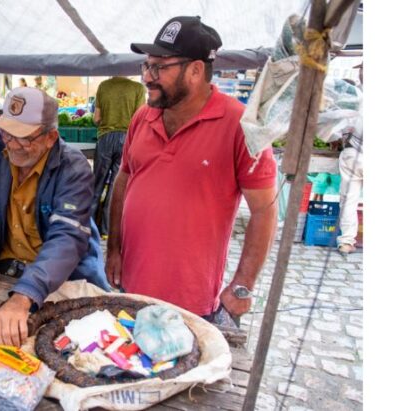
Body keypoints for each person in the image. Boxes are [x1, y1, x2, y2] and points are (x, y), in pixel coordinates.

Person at [106, 16, 278, 324]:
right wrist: (114, 249)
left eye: (160, 67)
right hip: (130, 288)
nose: (148, 77)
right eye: (147, 66)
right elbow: (124, 178)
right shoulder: (142, 117)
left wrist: (242, 285)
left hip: (191, 301)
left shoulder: (241, 125)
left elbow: (265, 210)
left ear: (196, 70)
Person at [0, 87, 110, 347]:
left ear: (51, 137)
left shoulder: (74, 168)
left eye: (24, 137)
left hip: (62, 280)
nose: (12, 145)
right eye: (6, 133)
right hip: (9, 270)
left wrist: (24, 295)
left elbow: (67, 237)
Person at [90, 76, 146, 236]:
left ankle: (89, 226)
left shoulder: (104, 85)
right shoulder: (138, 88)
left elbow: (97, 118)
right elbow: (140, 119)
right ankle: (107, 230)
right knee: (116, 187)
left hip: (105, 138)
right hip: (127, 140)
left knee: (97, 183)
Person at [337, 62, 363, 255]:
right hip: (354, 155)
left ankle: (346, 241)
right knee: (349, 199)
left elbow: (342, 129)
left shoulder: (355, 97)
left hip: (353, 154)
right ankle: (347, 241)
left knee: (349, 199)